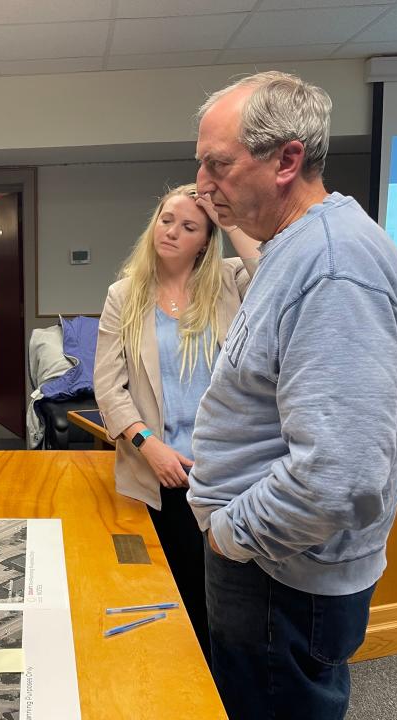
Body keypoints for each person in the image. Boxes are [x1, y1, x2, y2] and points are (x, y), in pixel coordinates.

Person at [189, 71, 397, 719]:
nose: (204, 185)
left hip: (279, 574)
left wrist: (230, 534)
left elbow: (340, 476)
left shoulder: (333, 264)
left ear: (287, 159)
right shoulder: (295, 248)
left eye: (218, 165)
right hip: (275, 566)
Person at [93, 183, 259, 660]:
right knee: (176, 595)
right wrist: (148, 444)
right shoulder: (124, 295)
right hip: (160, 471)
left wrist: (226, 216)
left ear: (206, 239)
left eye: (189, 226)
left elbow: (275, 274)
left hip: (224, 472)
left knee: (229, 602)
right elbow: (108, 387)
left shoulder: (230, 281)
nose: (172, 231)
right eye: (166, 219)